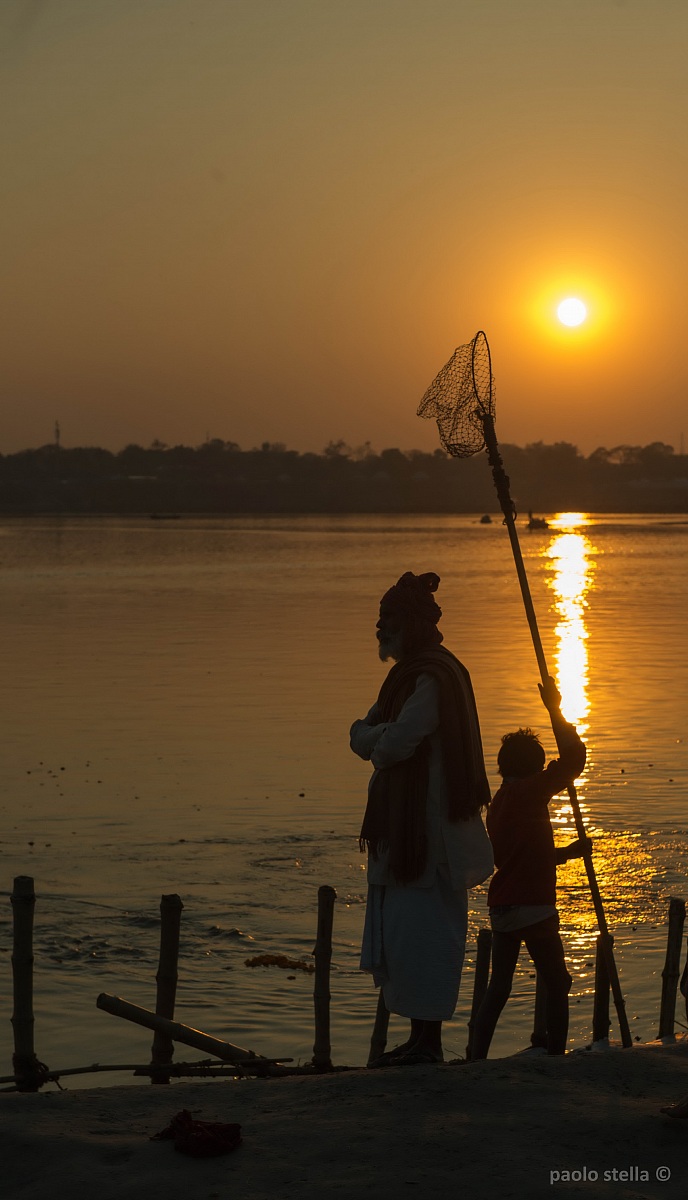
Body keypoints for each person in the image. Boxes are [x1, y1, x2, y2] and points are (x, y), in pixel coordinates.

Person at [350, 571, 494, 1066]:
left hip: (429, 837)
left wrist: (371, 737)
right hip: (404, 833)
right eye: (379, 619)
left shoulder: (432, 678)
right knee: (406, 937)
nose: (379, 628)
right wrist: (370, 736)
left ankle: (427, 1043)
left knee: (427, 937)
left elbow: (387, 742)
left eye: (388, 619)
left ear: (410, 624)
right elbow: (363, 733)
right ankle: (417, 1040)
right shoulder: (406, 676)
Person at [470, 678, 588, 1059]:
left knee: (499, 986)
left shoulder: (501, 802)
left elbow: (520, 856)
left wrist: (567, 853)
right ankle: (556, 1057)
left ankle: (476, 1056)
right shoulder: (530, 791)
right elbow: (574, 760)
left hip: (503, 906)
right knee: (558, 981)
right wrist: (555, 709)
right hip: (533, 906)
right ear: (535, 768)